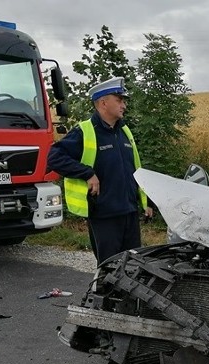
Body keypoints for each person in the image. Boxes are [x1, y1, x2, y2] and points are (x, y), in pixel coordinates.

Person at [47, 76, 152, 264]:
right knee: (109, 269)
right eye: (119, 100)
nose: (124, 105)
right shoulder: (85, 130)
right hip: (104, 215)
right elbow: (55, 157)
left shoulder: (124, 131)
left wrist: (147, 202)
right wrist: (87, 173)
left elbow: (134, 169)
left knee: (134, 267)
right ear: (103, 103)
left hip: (129, 212)